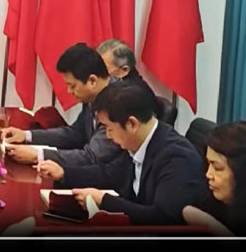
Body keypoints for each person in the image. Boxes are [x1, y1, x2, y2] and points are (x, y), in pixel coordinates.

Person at [38, 82, 207, 225]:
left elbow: (161, 217)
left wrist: (104, 201)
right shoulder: (138, 142)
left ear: (132, 124)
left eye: (109, 128)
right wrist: (64, 173)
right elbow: (109, 173)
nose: (108, 136)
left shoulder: (177, 157)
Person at [1, 44, 125, 172]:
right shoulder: (94, 96)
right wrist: (26, 135)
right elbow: (75, 134)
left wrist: (38, 155)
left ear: (92, 81)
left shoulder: (118, 103)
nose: (69, 91)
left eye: (72, 86)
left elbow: (92, 157)